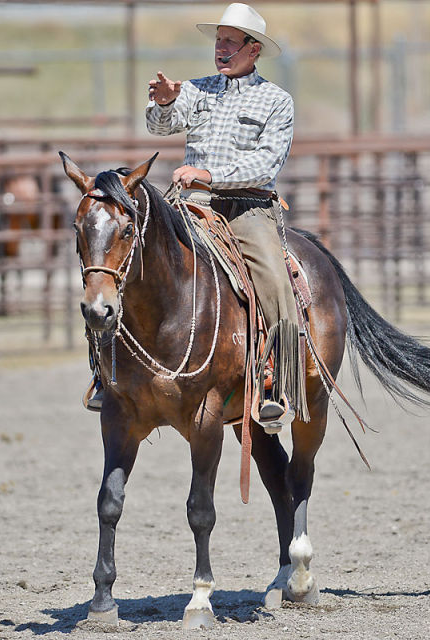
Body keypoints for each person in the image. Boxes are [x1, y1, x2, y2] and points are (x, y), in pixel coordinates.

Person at [107, 2, 304, 430]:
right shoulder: (196, 89)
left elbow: (266, 165)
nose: (221, 48)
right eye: (219, 40)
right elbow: (162, 126)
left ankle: (276, 380)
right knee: (131, 256)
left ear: (253, 50)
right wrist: (162, 105)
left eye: (230, 41)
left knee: (271, 274)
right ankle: (109, 369)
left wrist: (209, 174)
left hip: (247, 207)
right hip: (191, 204)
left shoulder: (276, 101)